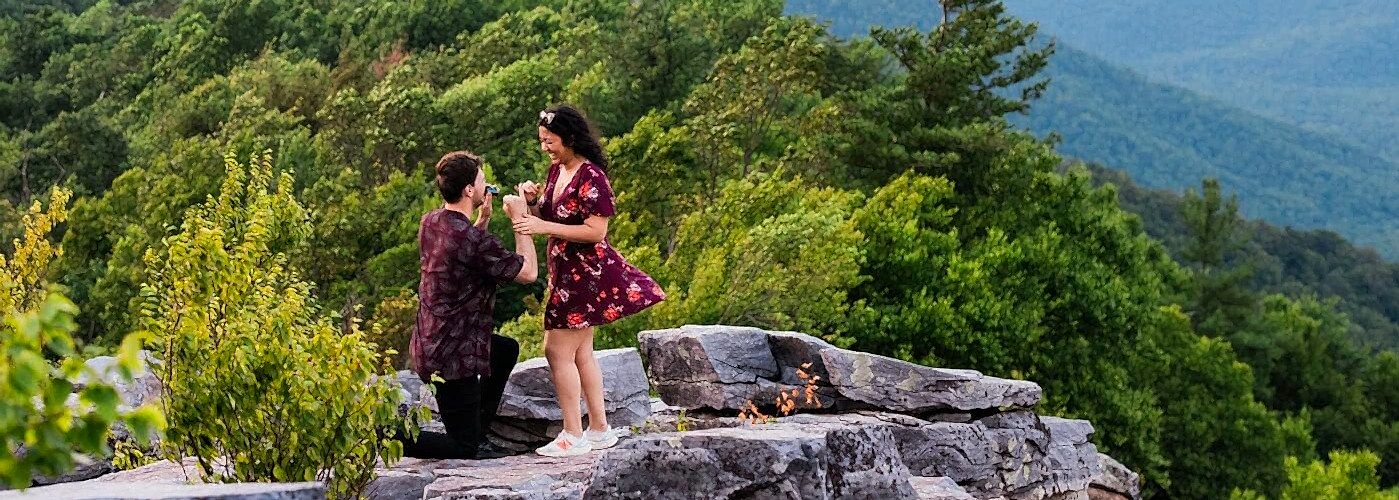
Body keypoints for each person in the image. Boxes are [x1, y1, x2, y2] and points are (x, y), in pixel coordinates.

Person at [512, 105, 666, 457]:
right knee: (581, 353)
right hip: (565, 274)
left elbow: (596, 231)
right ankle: (598, 429)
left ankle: (572, 433)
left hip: (586, 277)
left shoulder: (591, 176)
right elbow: (552, 217)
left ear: (569, 137)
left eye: (549, 141)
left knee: (556, 350)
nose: (545, 148)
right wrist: (534, 204)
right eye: (542, 141)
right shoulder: (557, 171)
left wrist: (542, 226)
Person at [401, 150, 537, 459]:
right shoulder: (475, 242)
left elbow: (460, 253)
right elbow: (528, 272)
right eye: (482, 179)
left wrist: (482, 221)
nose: (486, 183)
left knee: (504, 350)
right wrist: (521, 220)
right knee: (462, 448)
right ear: (469, 190)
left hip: (432, 344)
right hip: (454, 360)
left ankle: (478, 430)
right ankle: (389, 434)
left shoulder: (432, 222)